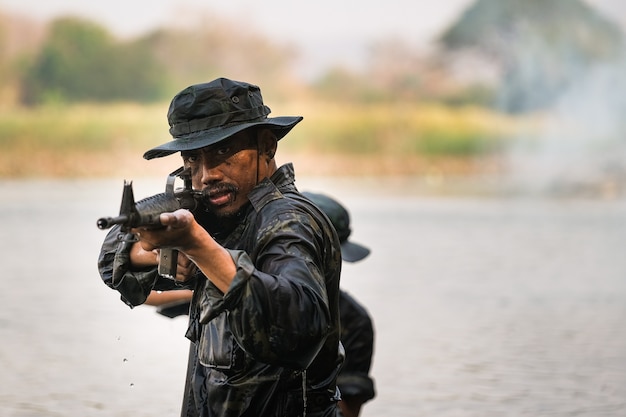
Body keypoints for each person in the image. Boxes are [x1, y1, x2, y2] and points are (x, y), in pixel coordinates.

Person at [97, 78, 344, 417]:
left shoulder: (288, 220)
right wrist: (153, 255)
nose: (205, 175)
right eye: (192, 159)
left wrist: (198, 247)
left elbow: (294, 329)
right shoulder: (218, 213)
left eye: (223, 151)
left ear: (267, 145)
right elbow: (112, 260)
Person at [145, 192, 377, 417]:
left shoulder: (355, 322)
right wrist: (218, 286)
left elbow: (348, 410)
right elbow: (149, 296)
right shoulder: (239, 281)